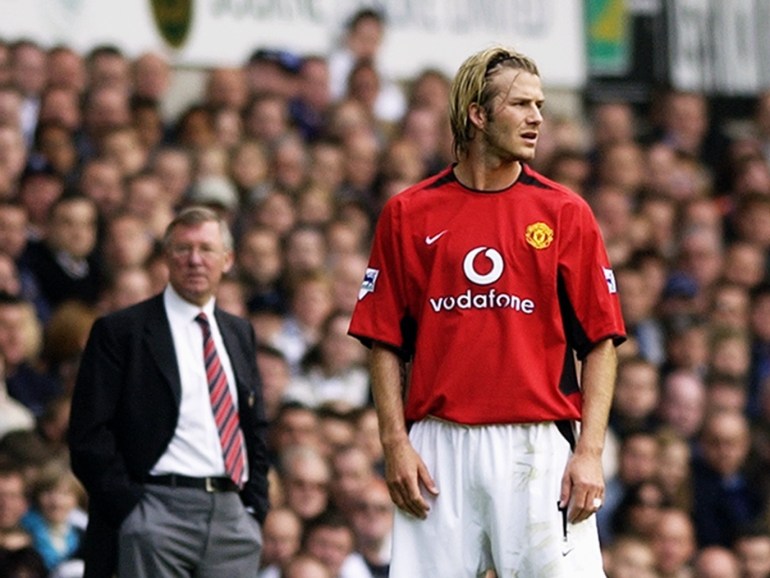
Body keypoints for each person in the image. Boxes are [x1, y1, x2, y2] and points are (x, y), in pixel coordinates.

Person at [348, 45, 626, 576]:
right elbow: (383, 339)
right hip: (436, 443)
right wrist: (394, 443)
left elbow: (600, 342)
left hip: (537, 443)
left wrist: (589, 452)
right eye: (521, 105)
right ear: (478, 114)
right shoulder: (408, 212)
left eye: (540, 105)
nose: (537, 118)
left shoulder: (566, 212)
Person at [69, 206, 270, 578]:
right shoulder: (121, 331)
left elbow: (254, 426)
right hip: (154, 509)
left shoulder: (239, 332)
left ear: (227, 260)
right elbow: (88, 433)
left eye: (206, 249)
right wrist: (132, 511)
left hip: (232, 517)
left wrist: (254, 506)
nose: (195, 260)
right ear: (165, 258)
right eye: (183, 249)